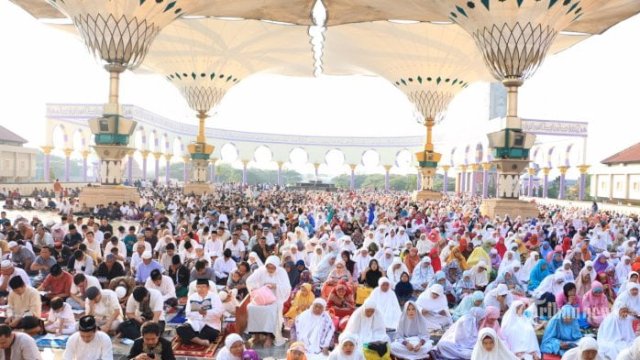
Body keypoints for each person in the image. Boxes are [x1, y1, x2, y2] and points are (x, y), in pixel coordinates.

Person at [245, 255, 291, 347]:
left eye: (272, 268)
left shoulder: (281, 272)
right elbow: (249, 281)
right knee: (251, 308)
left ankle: (269, 337)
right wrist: (256, 289)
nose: (270, 269)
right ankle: (256, 335)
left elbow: (287, 288)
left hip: (276, 298)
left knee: (271, 311)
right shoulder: (261, 270)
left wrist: (275, 286)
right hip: (261, 297)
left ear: (277, 266)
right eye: (268, 267)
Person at [176, 279, 224, 346]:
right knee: (180, 329)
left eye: (203, 287)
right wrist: (199, 314)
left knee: (212, 334)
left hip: (210, 324)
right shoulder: (192, 297)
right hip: (194, 323)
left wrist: (206, 313)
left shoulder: (215, 297)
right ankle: (200, 341)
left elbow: (219, 313)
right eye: (198, 287)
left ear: (208, 287)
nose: (200, 289)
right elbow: (188, 313)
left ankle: (190, 339)